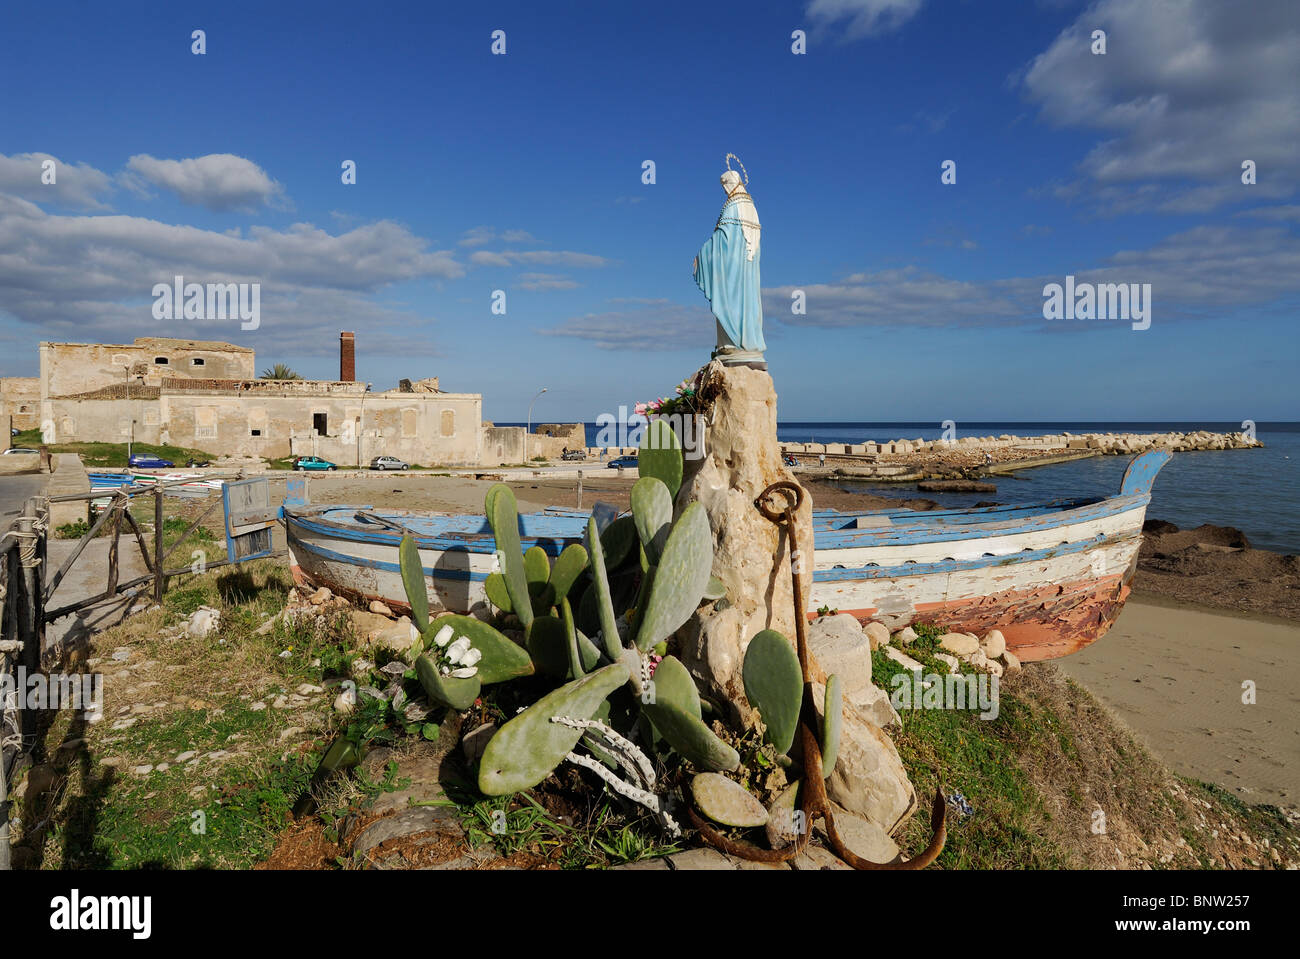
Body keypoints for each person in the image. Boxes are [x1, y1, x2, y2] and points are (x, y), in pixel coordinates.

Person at [693, 156, 765, 368]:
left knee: (731, 300)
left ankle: (734, 343)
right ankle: (744, 342)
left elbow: (725, 238)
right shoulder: (750, 207)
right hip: (747, 269)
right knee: (746, 301)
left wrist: (703, 254)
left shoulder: (734, 206)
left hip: (732, 269)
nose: (725, 190)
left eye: (725, 185)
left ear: (731, 184)